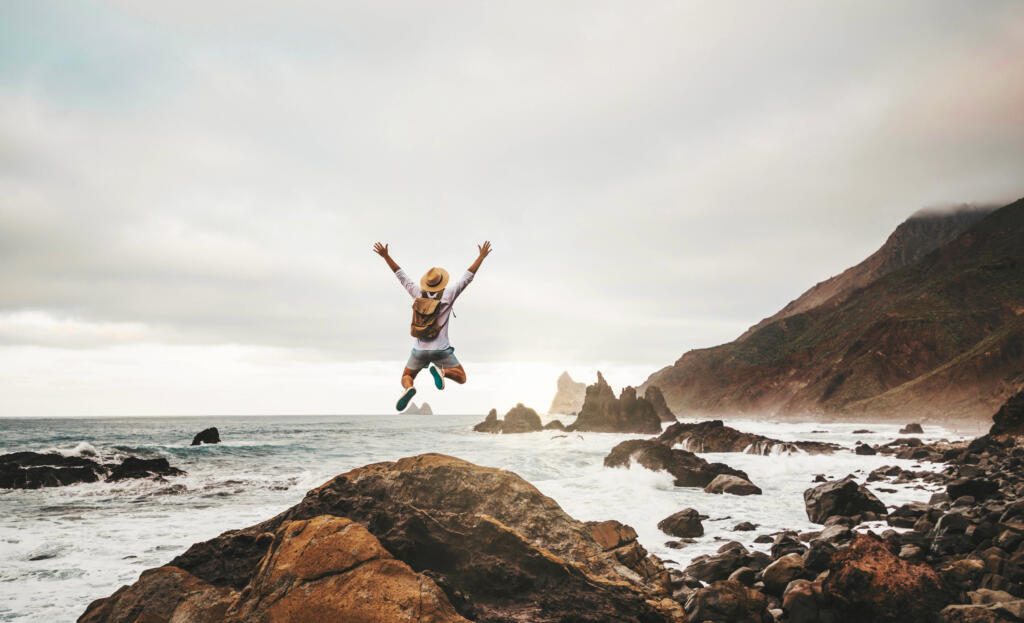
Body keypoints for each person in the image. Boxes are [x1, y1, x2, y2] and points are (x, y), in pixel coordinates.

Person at [373, 240, 492, 411]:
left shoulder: (417, 293)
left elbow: (400, 275)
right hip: (441, 349)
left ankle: (409, 388)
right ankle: (443, 373)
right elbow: (468, 277)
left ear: (426, 283)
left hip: (419, 350)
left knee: (407, 375)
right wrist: (481, 257)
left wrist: (386, 256)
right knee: (462, 377)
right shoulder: (449, 294)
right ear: (441, 282)